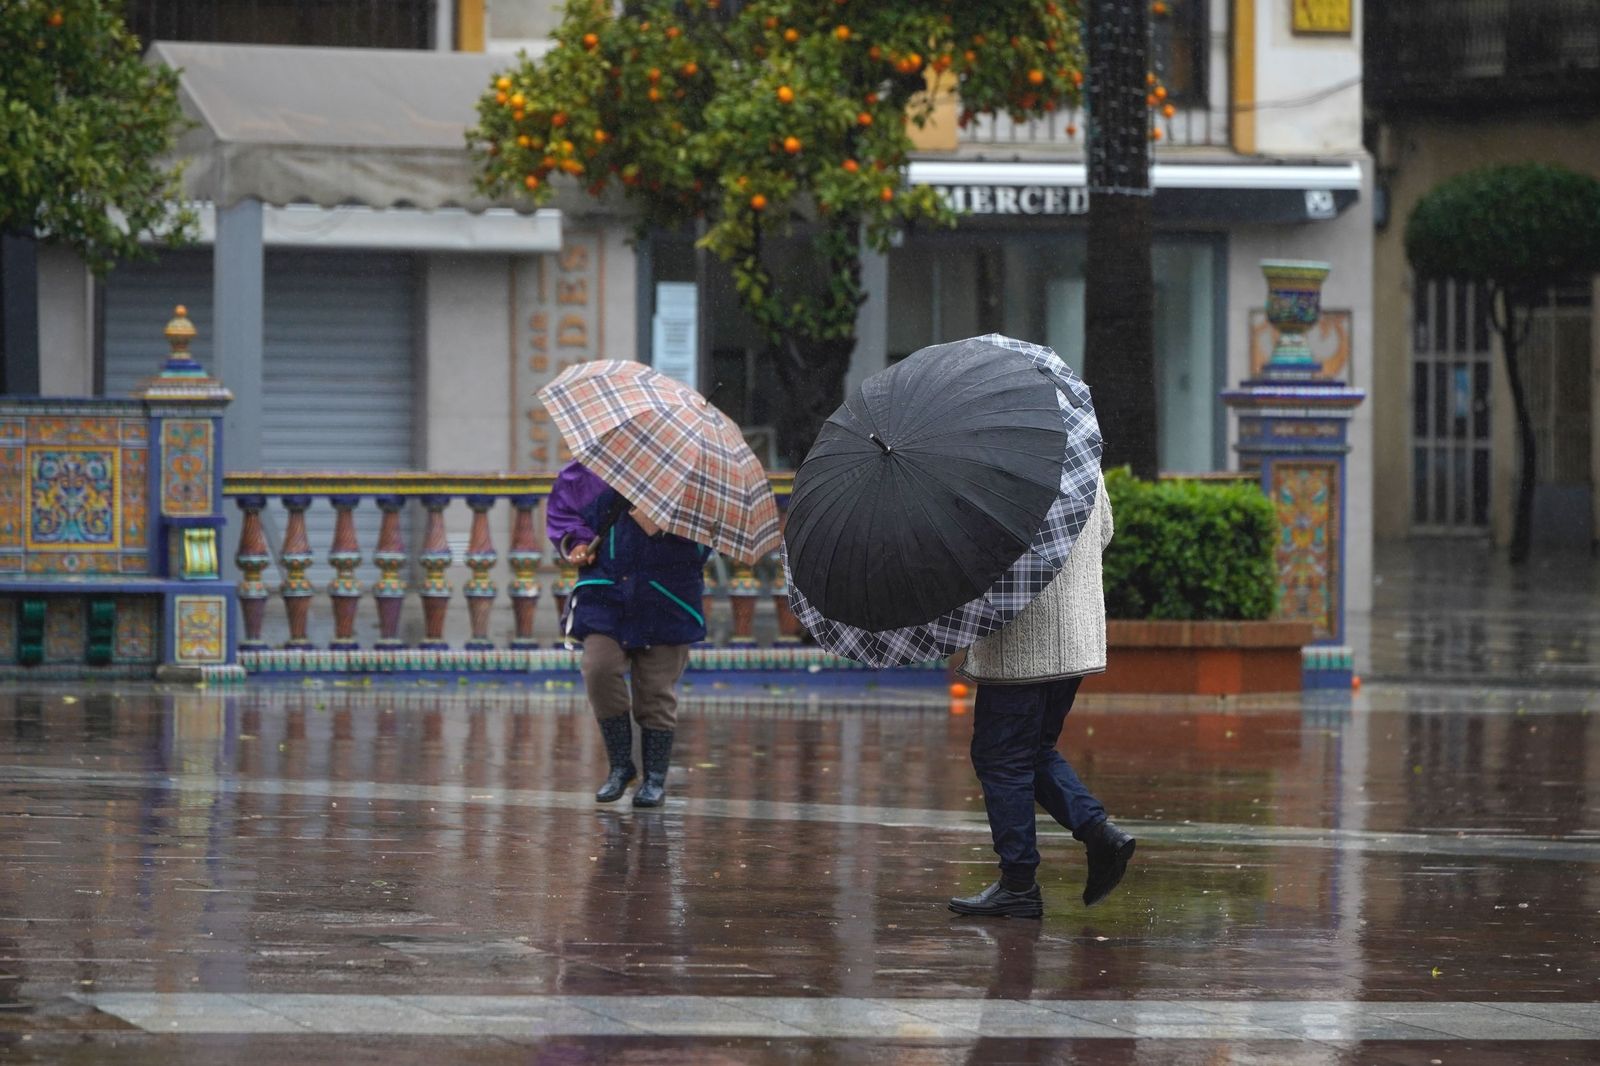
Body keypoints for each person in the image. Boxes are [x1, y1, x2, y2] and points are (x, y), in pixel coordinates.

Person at [949, 470, 1135, 917]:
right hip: (1076, 635)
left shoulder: (998, 466)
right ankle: (1099, 833)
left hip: (1025, 643)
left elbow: (982, 548)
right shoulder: (1077, 455)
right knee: (1032, 751)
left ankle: (1019, 884)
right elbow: (1104, 531)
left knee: (1002, 757)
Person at [546, 459, 709, 808]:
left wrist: (664, 525)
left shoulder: (691, 474)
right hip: (606, 591)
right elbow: (564, 513)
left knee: (655, 690)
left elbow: (706, 539)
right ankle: (621, 766)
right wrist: (577, 542)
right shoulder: (586, 470)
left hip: (668, 595)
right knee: (599, 669)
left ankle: (654, 778)